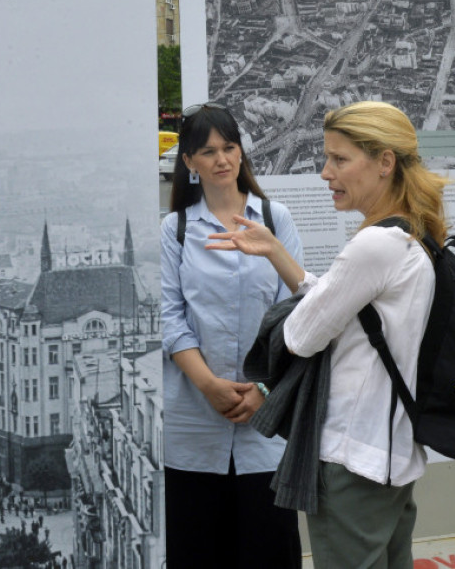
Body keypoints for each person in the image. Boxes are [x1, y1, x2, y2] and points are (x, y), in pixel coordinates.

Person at [207, 101, 450, 568]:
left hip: (353, 460)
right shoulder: (413, 232)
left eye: (339, 159)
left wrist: (288, 313)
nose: (325, 172)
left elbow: (301, 334)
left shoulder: (375, 244)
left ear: (384, 162)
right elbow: (350, 309)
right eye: (327, 158)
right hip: (390, 453)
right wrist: (278, 253)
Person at [161, 102, 303, 568]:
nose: (222, 159)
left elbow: (299, 315)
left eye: (229, 147)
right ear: (189, 162)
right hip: (195, 422)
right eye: (207, 151)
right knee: (198, 552)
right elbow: (170, 318)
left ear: (242, 152)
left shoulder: (275, 218)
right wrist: (209, 385)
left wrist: (263, 390)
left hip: (268, 421)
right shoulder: (176, 228)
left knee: (270, 551)